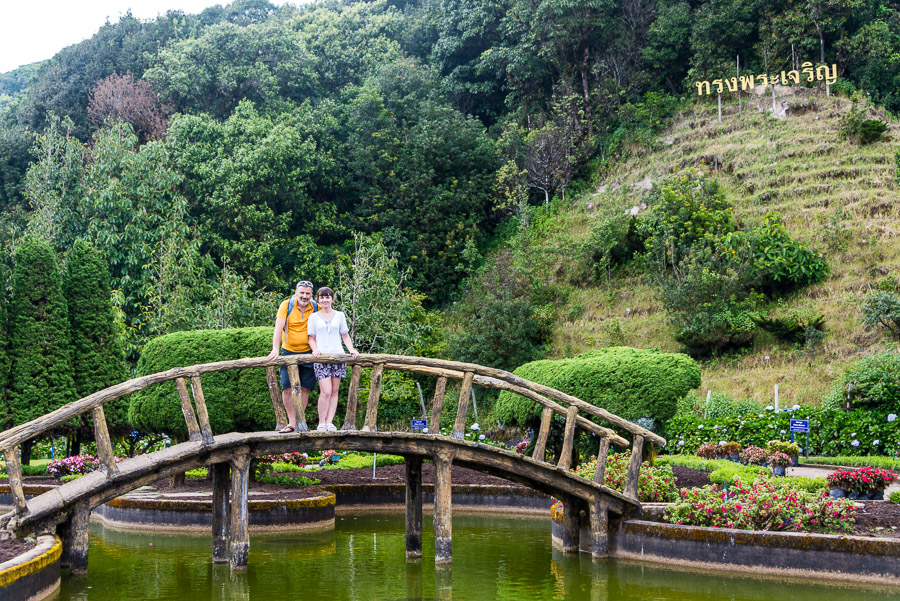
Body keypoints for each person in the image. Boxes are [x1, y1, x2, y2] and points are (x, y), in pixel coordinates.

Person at [267, 280, 318, 433]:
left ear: (311, 295)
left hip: (309, 352)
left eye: (308, 293)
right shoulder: (286, 305)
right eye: (302, 293)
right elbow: (278, 328)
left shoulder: (315, 306)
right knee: (287, 387)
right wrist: (275, 349)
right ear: (296, 292)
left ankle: (300, 420)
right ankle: (292, 422)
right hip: (289, 351)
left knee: (304, 387)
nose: (304, 296)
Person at [306, 286, 359, 431]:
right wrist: (315, 349)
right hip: (321, 358)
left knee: (335, 391)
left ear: (332, 299)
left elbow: (345, 335)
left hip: (338, 356)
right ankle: (321, 422)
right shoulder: (314, 317)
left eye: (327, 297)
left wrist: (351, 349)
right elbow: (311, 338)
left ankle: (330, 422)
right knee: (326, 391)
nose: (324, 300)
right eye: (322, 297)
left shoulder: (340, 315)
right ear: (318, 299)